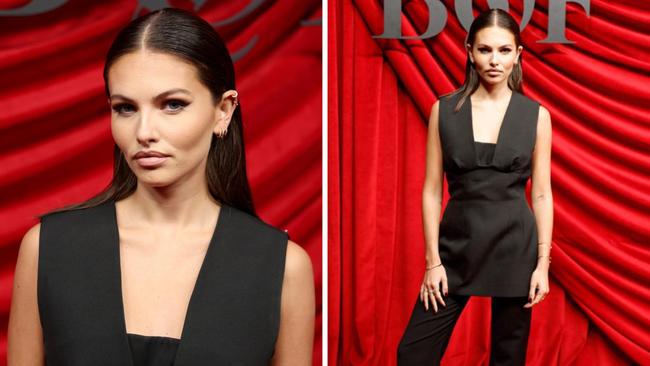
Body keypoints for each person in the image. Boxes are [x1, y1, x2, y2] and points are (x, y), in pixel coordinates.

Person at [7, 8, 314, 366]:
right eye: (125, 108)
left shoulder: (283, 268)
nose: (144, 132)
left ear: (223, 111)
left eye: (172, 104)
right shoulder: (47, 249)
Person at [397, 9, 553, 365]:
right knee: (413, 354)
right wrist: (432, 262)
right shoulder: (444, 110)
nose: (494, 60)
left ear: (518, 54)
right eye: (485, 50)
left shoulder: (537, 116)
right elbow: (432, 191)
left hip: (516, 248)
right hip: (455, 250)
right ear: (469, 52)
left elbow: (541, 193)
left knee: (508, 357)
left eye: (503, 50)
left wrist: (542, 264)